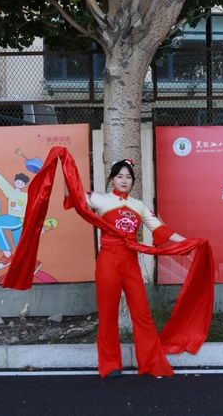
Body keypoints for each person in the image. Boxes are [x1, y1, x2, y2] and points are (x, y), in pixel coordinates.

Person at [68, 159, 185, 379]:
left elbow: (160, 229)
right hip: (108, 262)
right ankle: (110, 365)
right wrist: (65, 166)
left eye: (128, 177)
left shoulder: (138, 205)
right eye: (120, 176)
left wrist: (188, 242)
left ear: (133, 181)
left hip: (131, 263)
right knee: (108, 315)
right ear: (112, 178)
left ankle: (151, 363)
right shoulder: (100, 199)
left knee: (142, 314)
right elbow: (73, 193)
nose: (124, 180)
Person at [0, 161, 30, 270]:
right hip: (14, 221)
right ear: (14, 182)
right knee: (18, 243)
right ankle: (30, 262)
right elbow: (0, 180)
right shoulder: (10, 192)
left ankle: (8, 256)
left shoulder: (27, 196)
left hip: (18, 220)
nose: (20, 183)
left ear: (25, 185)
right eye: (18, 181)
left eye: (22, 182)